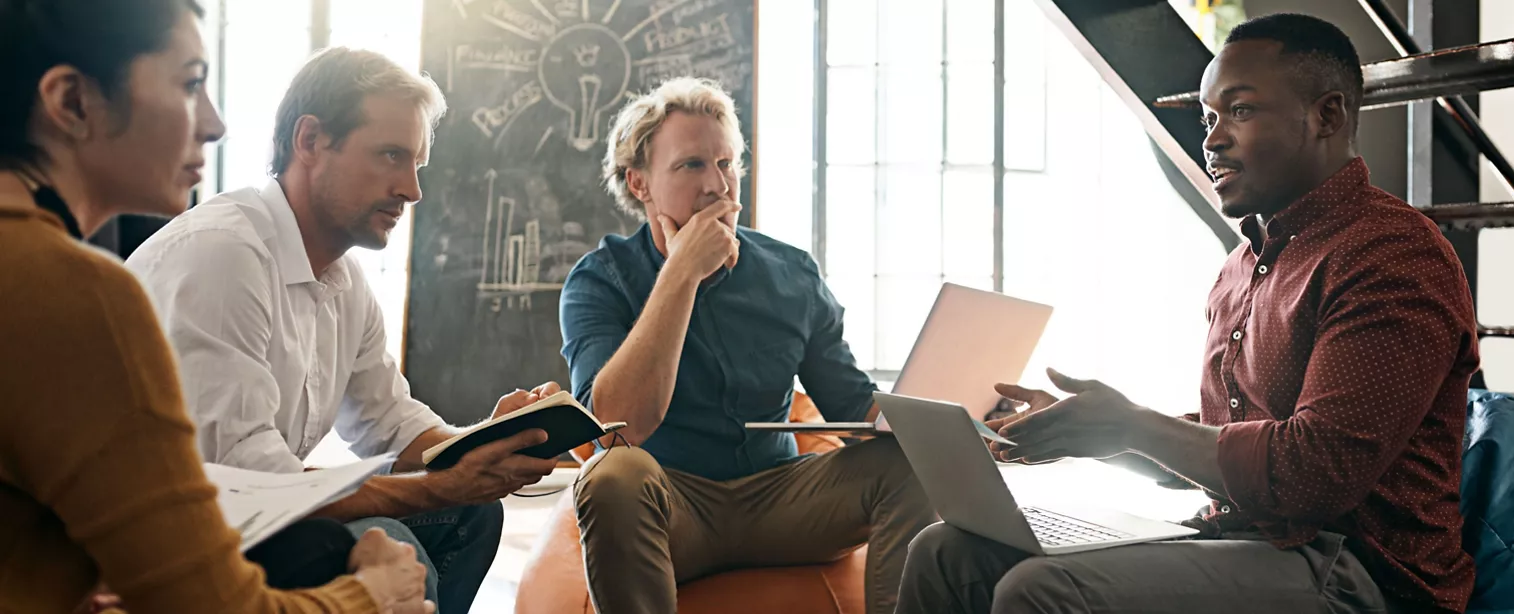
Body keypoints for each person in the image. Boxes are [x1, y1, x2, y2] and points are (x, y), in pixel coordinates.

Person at [894, 13, 1478, 614]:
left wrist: (1132, 426)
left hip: (1366, 573)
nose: (1212, 138)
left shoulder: (1391, 253)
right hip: (1251, 544)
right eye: (1209, 117)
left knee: (1041, 591)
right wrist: (1091, 430)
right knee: (947, 552)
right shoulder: (1240, 269)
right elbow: (1230, 436)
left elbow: (1313, 475)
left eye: (1240, 111)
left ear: (1327, 116)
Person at [0, 0, 431, 611]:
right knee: (362, 557)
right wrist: (372, 594)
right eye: (190, 83)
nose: (215, 124)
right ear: (72, 102)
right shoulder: (79, 292)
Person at [124, 46, 559, 614]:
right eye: (390, 155)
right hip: (169, 536)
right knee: (394, 544)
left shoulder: (342, 277)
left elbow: (390, 423)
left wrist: (483, 444)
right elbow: (255, 483)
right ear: (309, 142)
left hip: (254, 513)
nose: (412, 189)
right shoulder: (223, 255)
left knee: (472, 515)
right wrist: (443, 484)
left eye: (416, 165)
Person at [558, 76, 934, 614]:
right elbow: (614, 428)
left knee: (911, 460)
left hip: (783, 498)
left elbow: (852, 407)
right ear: (638, 183)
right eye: (691, 165)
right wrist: (680, 274)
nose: (718, 186)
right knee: (612, 474)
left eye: (727, 163)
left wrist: (937, 415)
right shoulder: (600, 279)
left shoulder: (791, 272)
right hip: (670, 506)